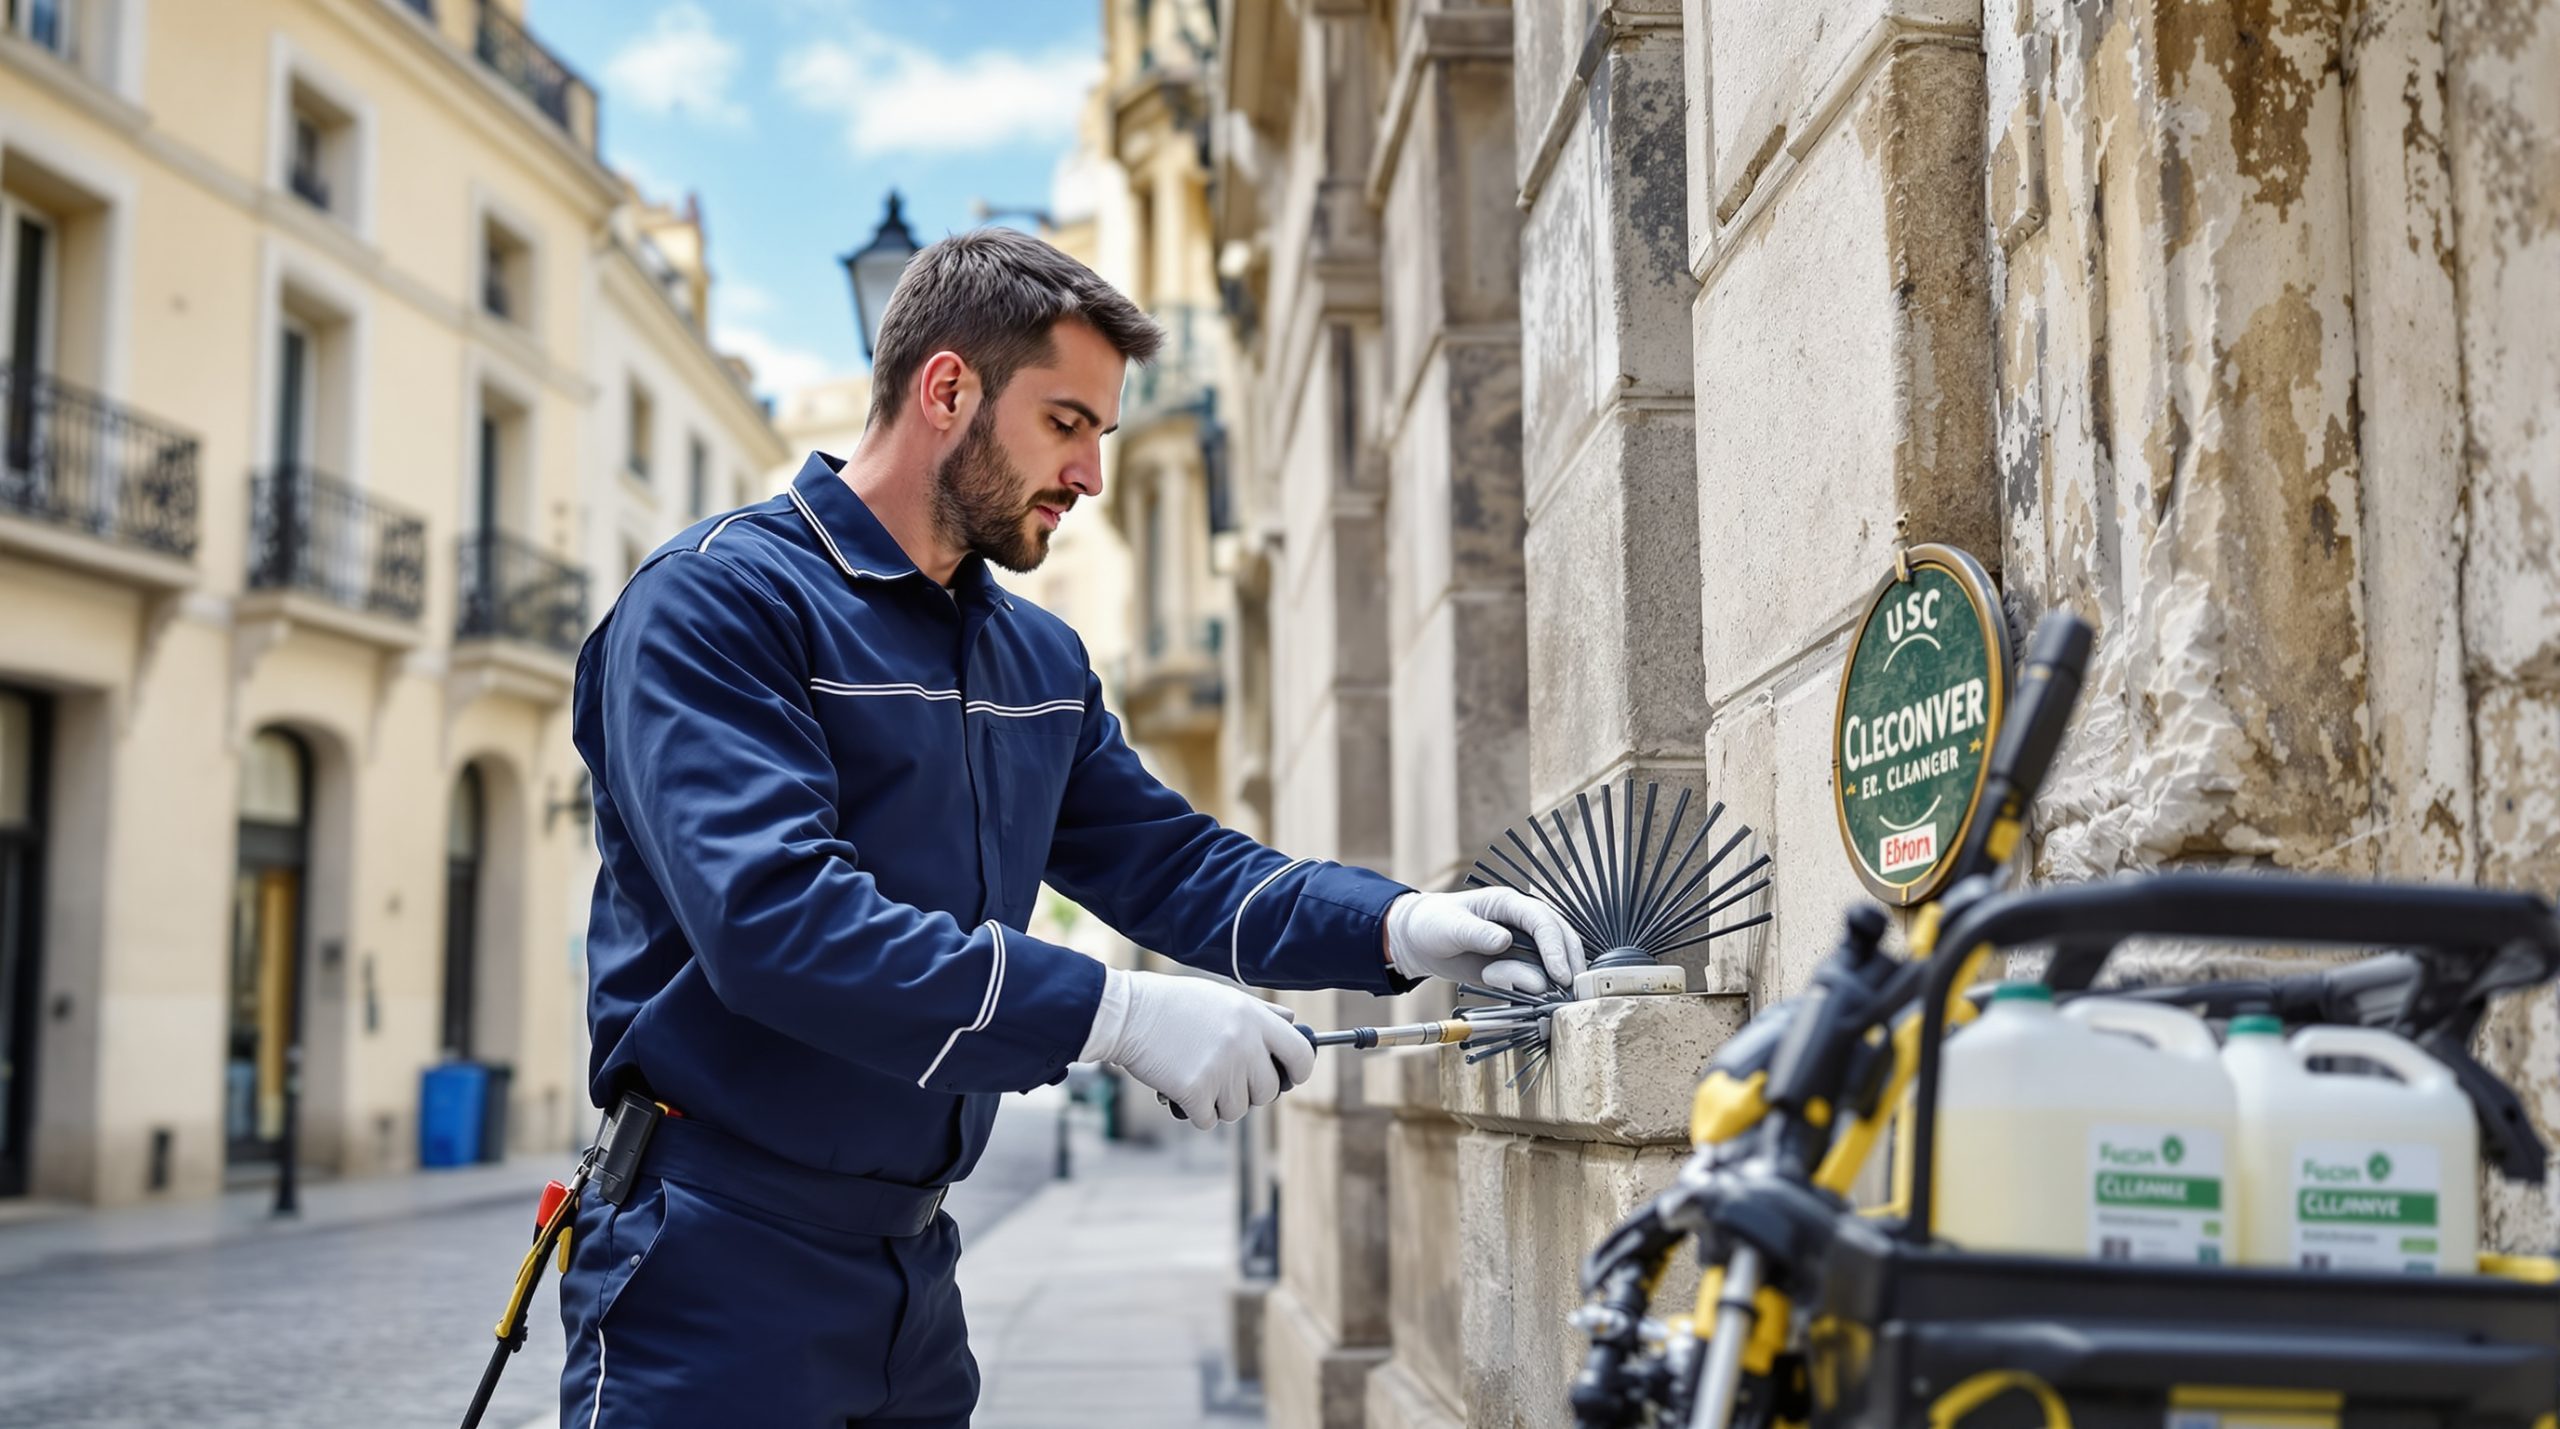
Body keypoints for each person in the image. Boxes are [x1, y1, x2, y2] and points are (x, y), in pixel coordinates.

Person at [558, 226, 1583, 1427]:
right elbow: (778, 925)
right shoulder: (715, 600)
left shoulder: (1036, 658)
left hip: (913, 1281)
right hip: (710, 1265)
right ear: (948, 389)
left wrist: (1401, 926)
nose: (1091, 475)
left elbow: (1173, 864)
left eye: (1101, 432)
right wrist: (1118, 1014)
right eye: (1066, 423)